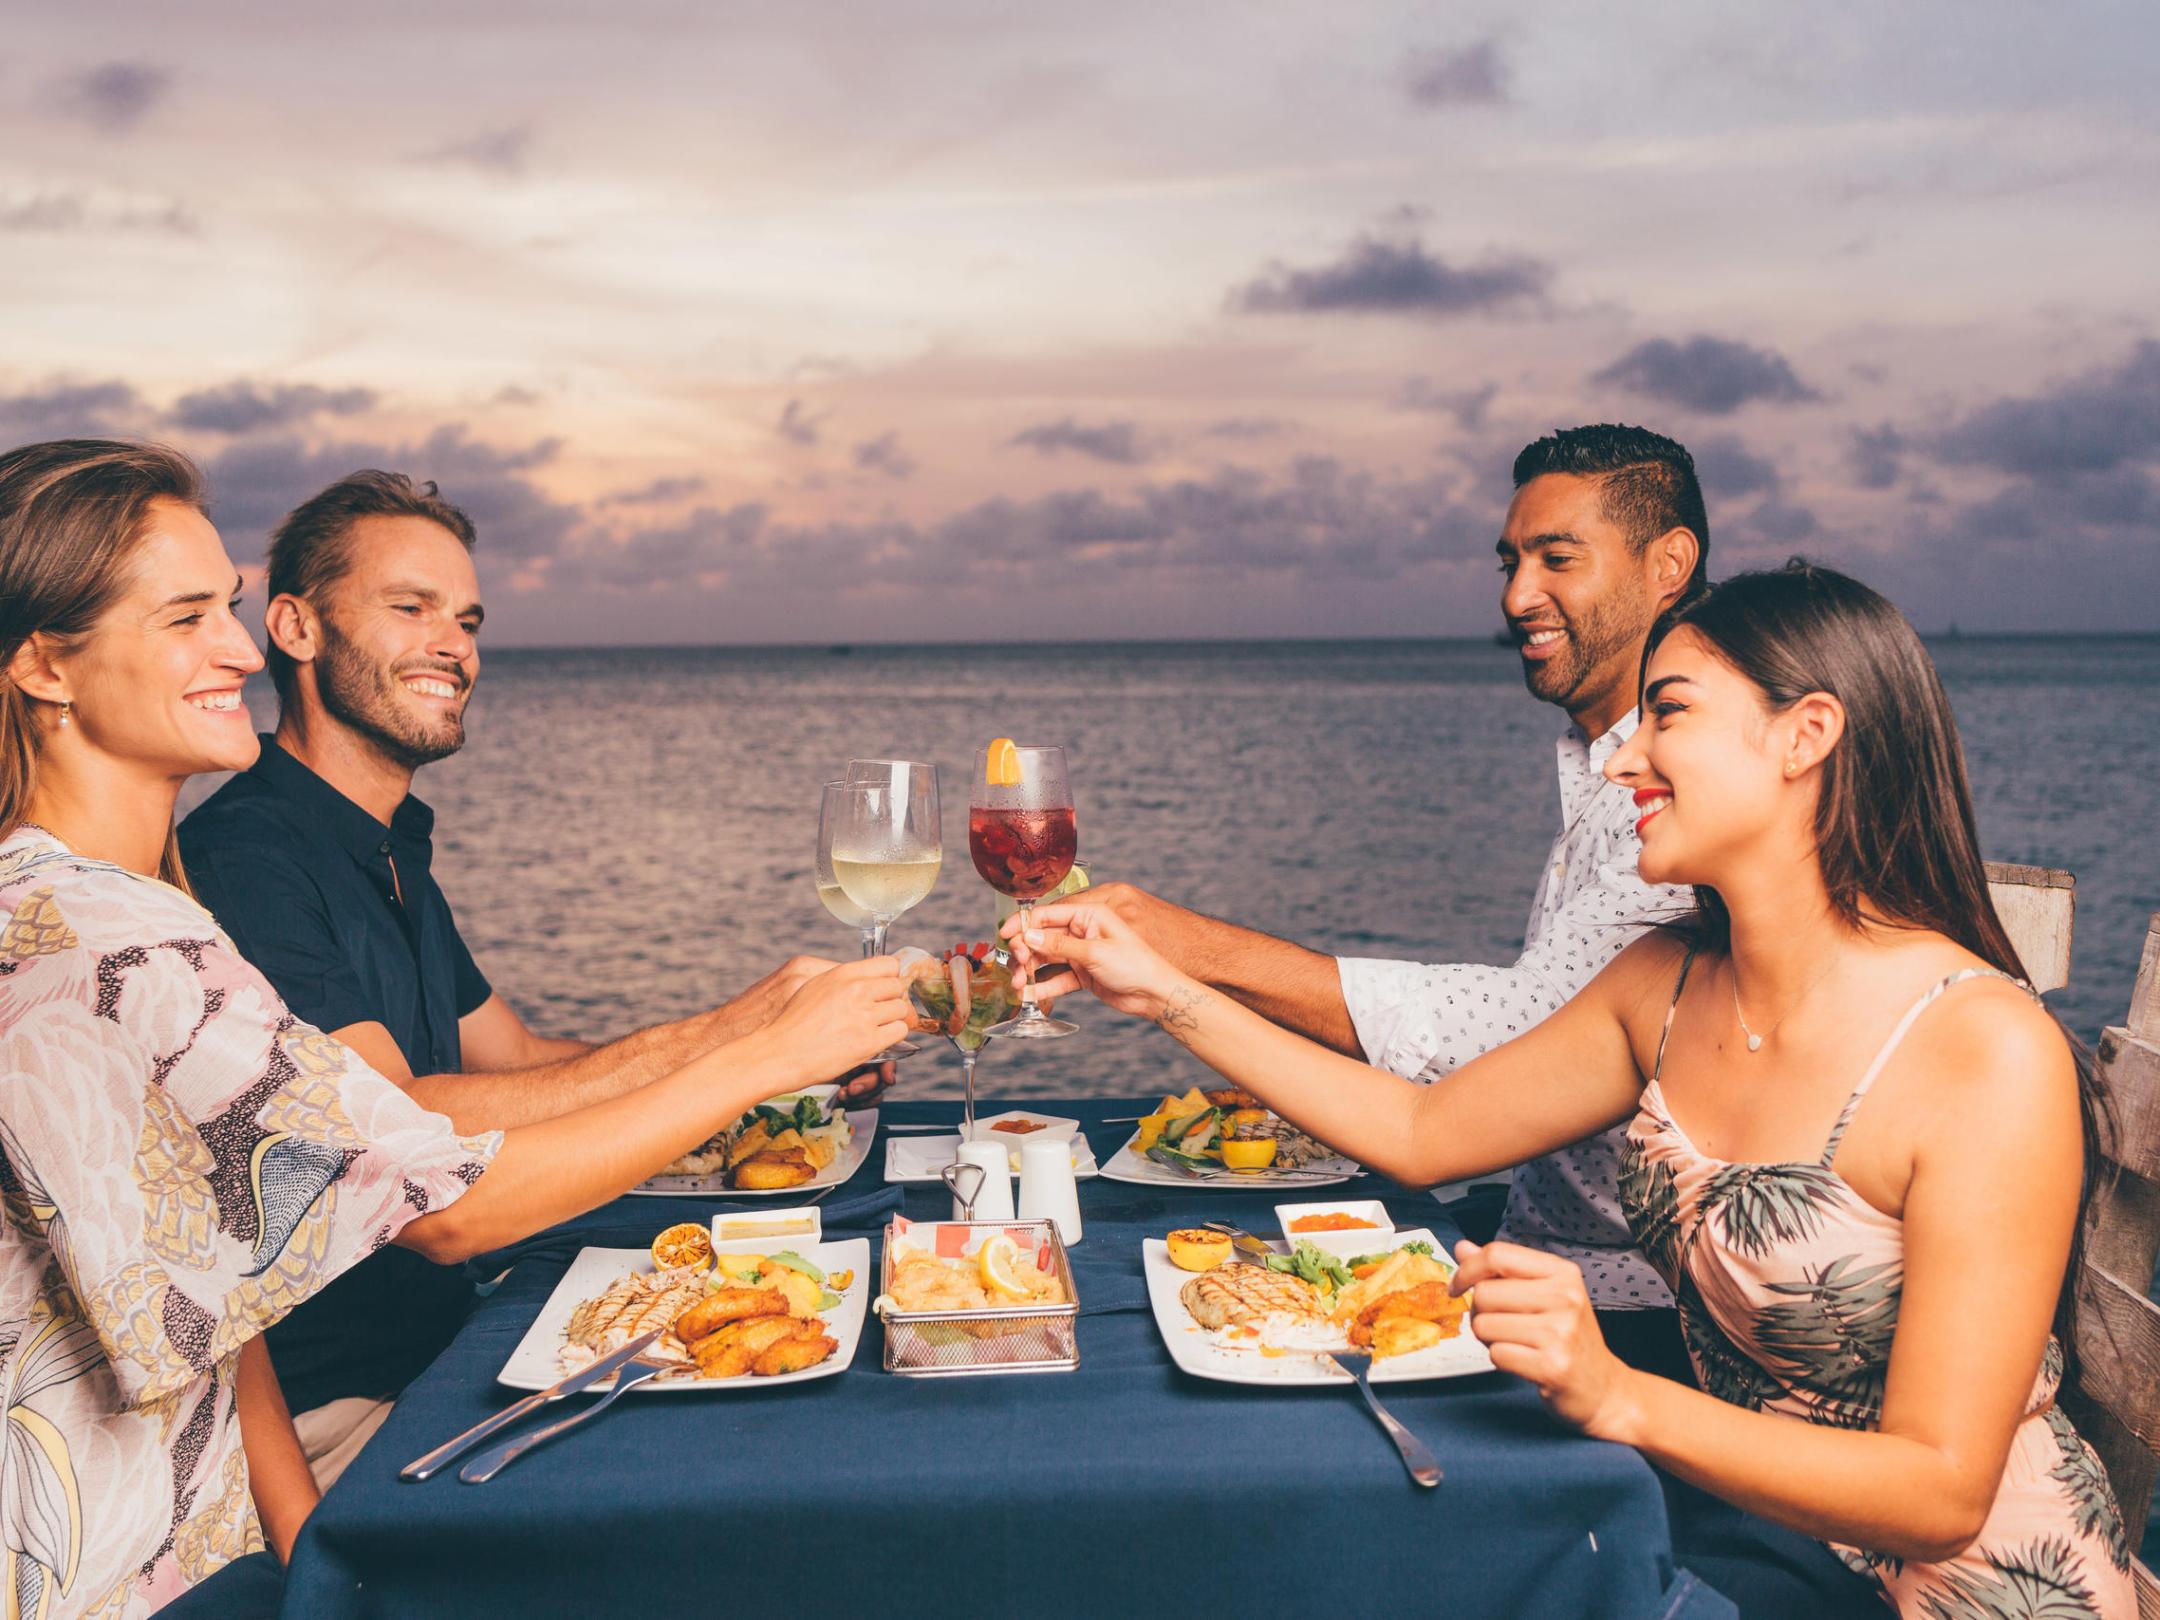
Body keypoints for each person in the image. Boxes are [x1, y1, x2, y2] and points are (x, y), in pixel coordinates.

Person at [1011, 560, 2132, 1617]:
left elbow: (1942, 1491)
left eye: (1670, 713)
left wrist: (1617, 1394)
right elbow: (1420, 1128)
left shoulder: (1983, 1051)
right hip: (1744, 1533)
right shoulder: (1668, 983)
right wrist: (1162, 992)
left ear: (1808, 734)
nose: (1622, 758)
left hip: (1953, 1585)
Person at [0, 439, 908, 1616]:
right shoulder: (106, 935)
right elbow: (442, 1201)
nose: (232, 650)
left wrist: (304, 1553)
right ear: (43, 666)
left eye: (222, 609)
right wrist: (764, 1052)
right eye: (186, 619)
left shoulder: (124, 898)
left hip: (217, 1519)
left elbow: (227, 1313)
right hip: (119, 1571)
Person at [177, 469, 882, 1483]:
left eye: (466, 620)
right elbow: (410, 1137)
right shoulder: (251, 859)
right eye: (410, 608)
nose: (453, 646)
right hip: (337, 1412)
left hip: (447, 1350)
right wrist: (747, 1039)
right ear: (294, 627)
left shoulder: (384, 844)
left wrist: (776, 1070)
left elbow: (520, 1062)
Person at [1047, 424, 1709, 1376]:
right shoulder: (1600, 770)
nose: (1517, 596)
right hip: (1519, 1245)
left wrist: (1183, 952)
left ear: (1667, 566)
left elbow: (1507, 1049)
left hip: (1624, 1312)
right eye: (1510, 562)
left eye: (1557, 559)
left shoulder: (1687, 809)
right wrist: (1169, 974)